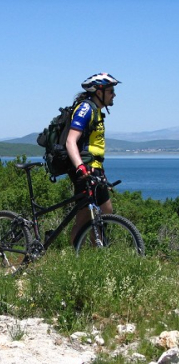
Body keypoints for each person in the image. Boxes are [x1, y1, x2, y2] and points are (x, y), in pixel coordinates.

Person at [66, 73, 121, 243]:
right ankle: (74, 254)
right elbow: (70, 141)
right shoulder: (85, 109)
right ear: (99, 92)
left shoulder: (96, 111)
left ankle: (97, 250)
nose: (114, 95)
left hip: (95, 168)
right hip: (85, 169)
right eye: (110, 91)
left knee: (106, 211)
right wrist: (80, 167)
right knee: (83, 219)